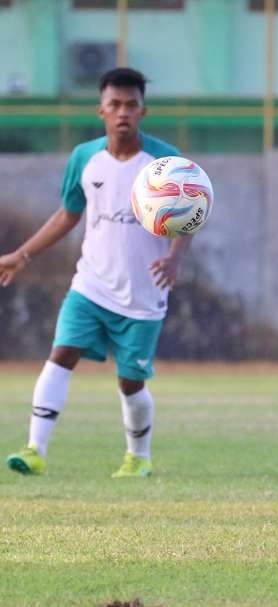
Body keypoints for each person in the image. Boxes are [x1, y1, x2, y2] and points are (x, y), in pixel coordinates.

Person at [0, 67, 191, 478]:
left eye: (131, 105)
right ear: (101, 109)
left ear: (144, 111)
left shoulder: (163, 161)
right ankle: (35, 450)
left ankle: (138, 457)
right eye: (115, 105)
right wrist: (21, 255)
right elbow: (69, 214)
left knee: (130, 382)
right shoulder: (85, 158)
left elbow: (189, 216)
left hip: (143, 295)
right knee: (60, 355)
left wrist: (175, 257)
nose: (123, 112)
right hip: (91, 285)